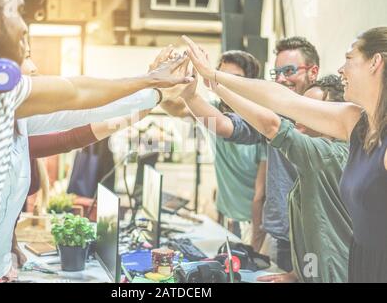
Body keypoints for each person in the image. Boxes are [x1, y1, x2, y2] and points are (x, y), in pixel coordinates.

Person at [0, 0, 191, 282]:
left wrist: (153, 85)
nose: (23, 25)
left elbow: (77, 92)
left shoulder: (2, 94)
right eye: (19, 12)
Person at [183, 27, 387, 283]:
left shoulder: (330, 149)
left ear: (375, 62)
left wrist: (214, 82)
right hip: (347, 262)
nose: (340, 69)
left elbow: (271, 123)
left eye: (349, 58)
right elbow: (278, 102)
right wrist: (212, 80)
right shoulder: (357, 123)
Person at [0, 45, 181, 282]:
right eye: (26, 56)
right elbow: (74, 119)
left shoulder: (22, 121)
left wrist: (153, 89)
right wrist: (151, 85)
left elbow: (88, 114)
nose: (34, 66)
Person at [184, 36, 320, 272]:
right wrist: (189, 95)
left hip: (316, 238)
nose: (281, 79)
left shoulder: (328, 111)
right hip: (283, 237)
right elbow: (227, 126)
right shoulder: (274, 113)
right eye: (276, 72)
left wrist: (215, 82)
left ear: (313, 72)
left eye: (289, 70)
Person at [162, 51, 267, 251]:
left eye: (233, 79)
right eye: (219, 76)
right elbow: (175, 108)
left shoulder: (259, 122)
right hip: (228, 218)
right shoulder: (212, 110)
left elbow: (260, 195)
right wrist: (161, 83)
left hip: (256, 224)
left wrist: (255, 244)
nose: (224, 84)